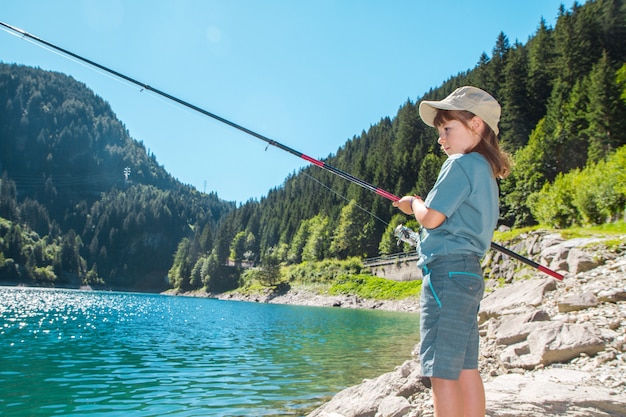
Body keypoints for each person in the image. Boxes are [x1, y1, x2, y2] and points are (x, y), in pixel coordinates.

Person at [393, 86, 511, 417]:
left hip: (446, 276)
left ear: (476, 125)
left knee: (441, 369)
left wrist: (413, 204)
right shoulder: (485, 171)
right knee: (465, 367)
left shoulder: (460, 164)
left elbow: (431, 218)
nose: (440, 139)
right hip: (469, 273)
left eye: (447, 129)